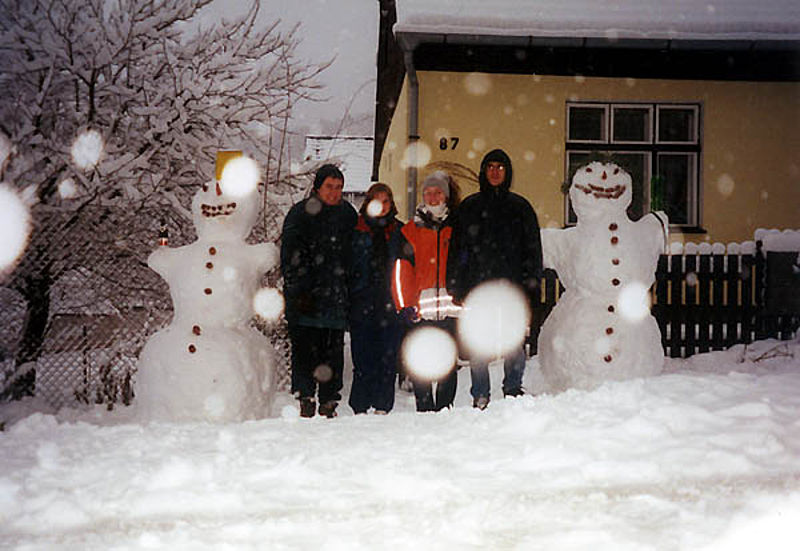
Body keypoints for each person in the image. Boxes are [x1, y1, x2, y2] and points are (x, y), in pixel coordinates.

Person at [446, 149, 543, 410]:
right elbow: (457, 250)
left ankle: (512, 388)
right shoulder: (470, 207)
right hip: (478, 290)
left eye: (500, 167)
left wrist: (532, 285)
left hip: (512, 290)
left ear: (507, 172)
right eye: (490, 166)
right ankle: (480, 393)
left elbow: (532, 251)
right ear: (483, 171)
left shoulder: (520, 208)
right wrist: (456, 284)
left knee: (514, 344)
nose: (495, 172)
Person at [280, 164, 357, 418]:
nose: (334, 192)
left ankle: (329, 400)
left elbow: (354, 256)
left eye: (339, 187)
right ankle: (305, 397)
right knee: (305, 351)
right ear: (317, 188)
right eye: (329, 187)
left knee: (332, 352)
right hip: (306, 298)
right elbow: (290, 257)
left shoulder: (347, 214)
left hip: (336, 297)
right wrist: (299, 290)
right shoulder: (300, 214)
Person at [392, 170, 461, 412]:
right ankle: (424, 409)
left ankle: (444, 408)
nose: (432, 198)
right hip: (420, 311)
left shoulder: (457, 228)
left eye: (438, 192)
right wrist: (404, 304)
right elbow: (401, 273)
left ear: (446, 196)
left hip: (451, 310)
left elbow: (467, 266)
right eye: (428, 193)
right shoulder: (410, 231)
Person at [348, 183, 405, 415]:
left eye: (386, 201)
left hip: (390, 303)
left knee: (387, 358)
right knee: (363, 358)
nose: (381, 206)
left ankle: (383, 406)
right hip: (362, 301)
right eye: (376, 201)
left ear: (391, 204)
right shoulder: (356, 229)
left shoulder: (400, 231)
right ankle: (360, 406)